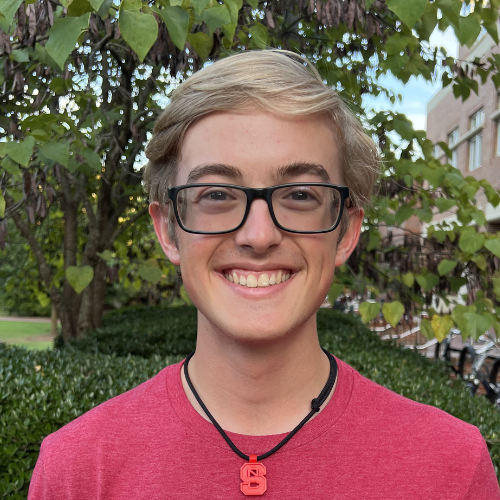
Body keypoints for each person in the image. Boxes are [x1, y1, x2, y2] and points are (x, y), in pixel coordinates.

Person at [28, 50, 499, 499]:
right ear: (167, 230)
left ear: (346, 232)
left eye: (299, 195)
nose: (259, 235)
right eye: (216, 194)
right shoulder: (76, 468)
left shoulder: (451, 467)